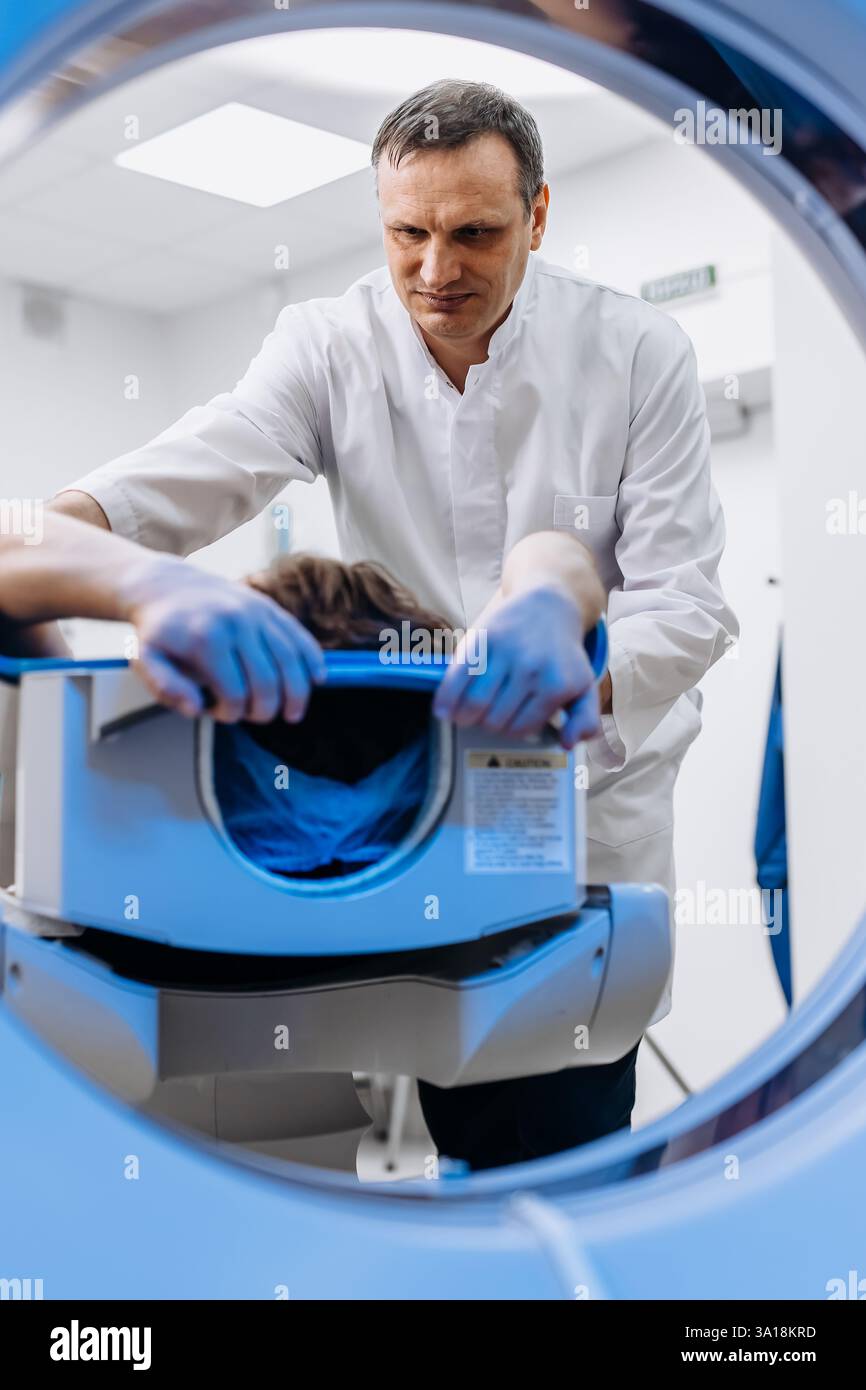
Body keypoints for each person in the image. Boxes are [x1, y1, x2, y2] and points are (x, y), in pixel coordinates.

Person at [40, 78, 737, 1161]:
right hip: (382, 793)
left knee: (548, 1130)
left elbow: (686, 604)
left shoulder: (636, 353)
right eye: (405, 232)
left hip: (581, 801)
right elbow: (171, 481)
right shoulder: (328, 346)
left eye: (473, 233)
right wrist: (90, 550)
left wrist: (573, 673)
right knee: (377, 1097)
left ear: (537, 217)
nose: (433, 269)